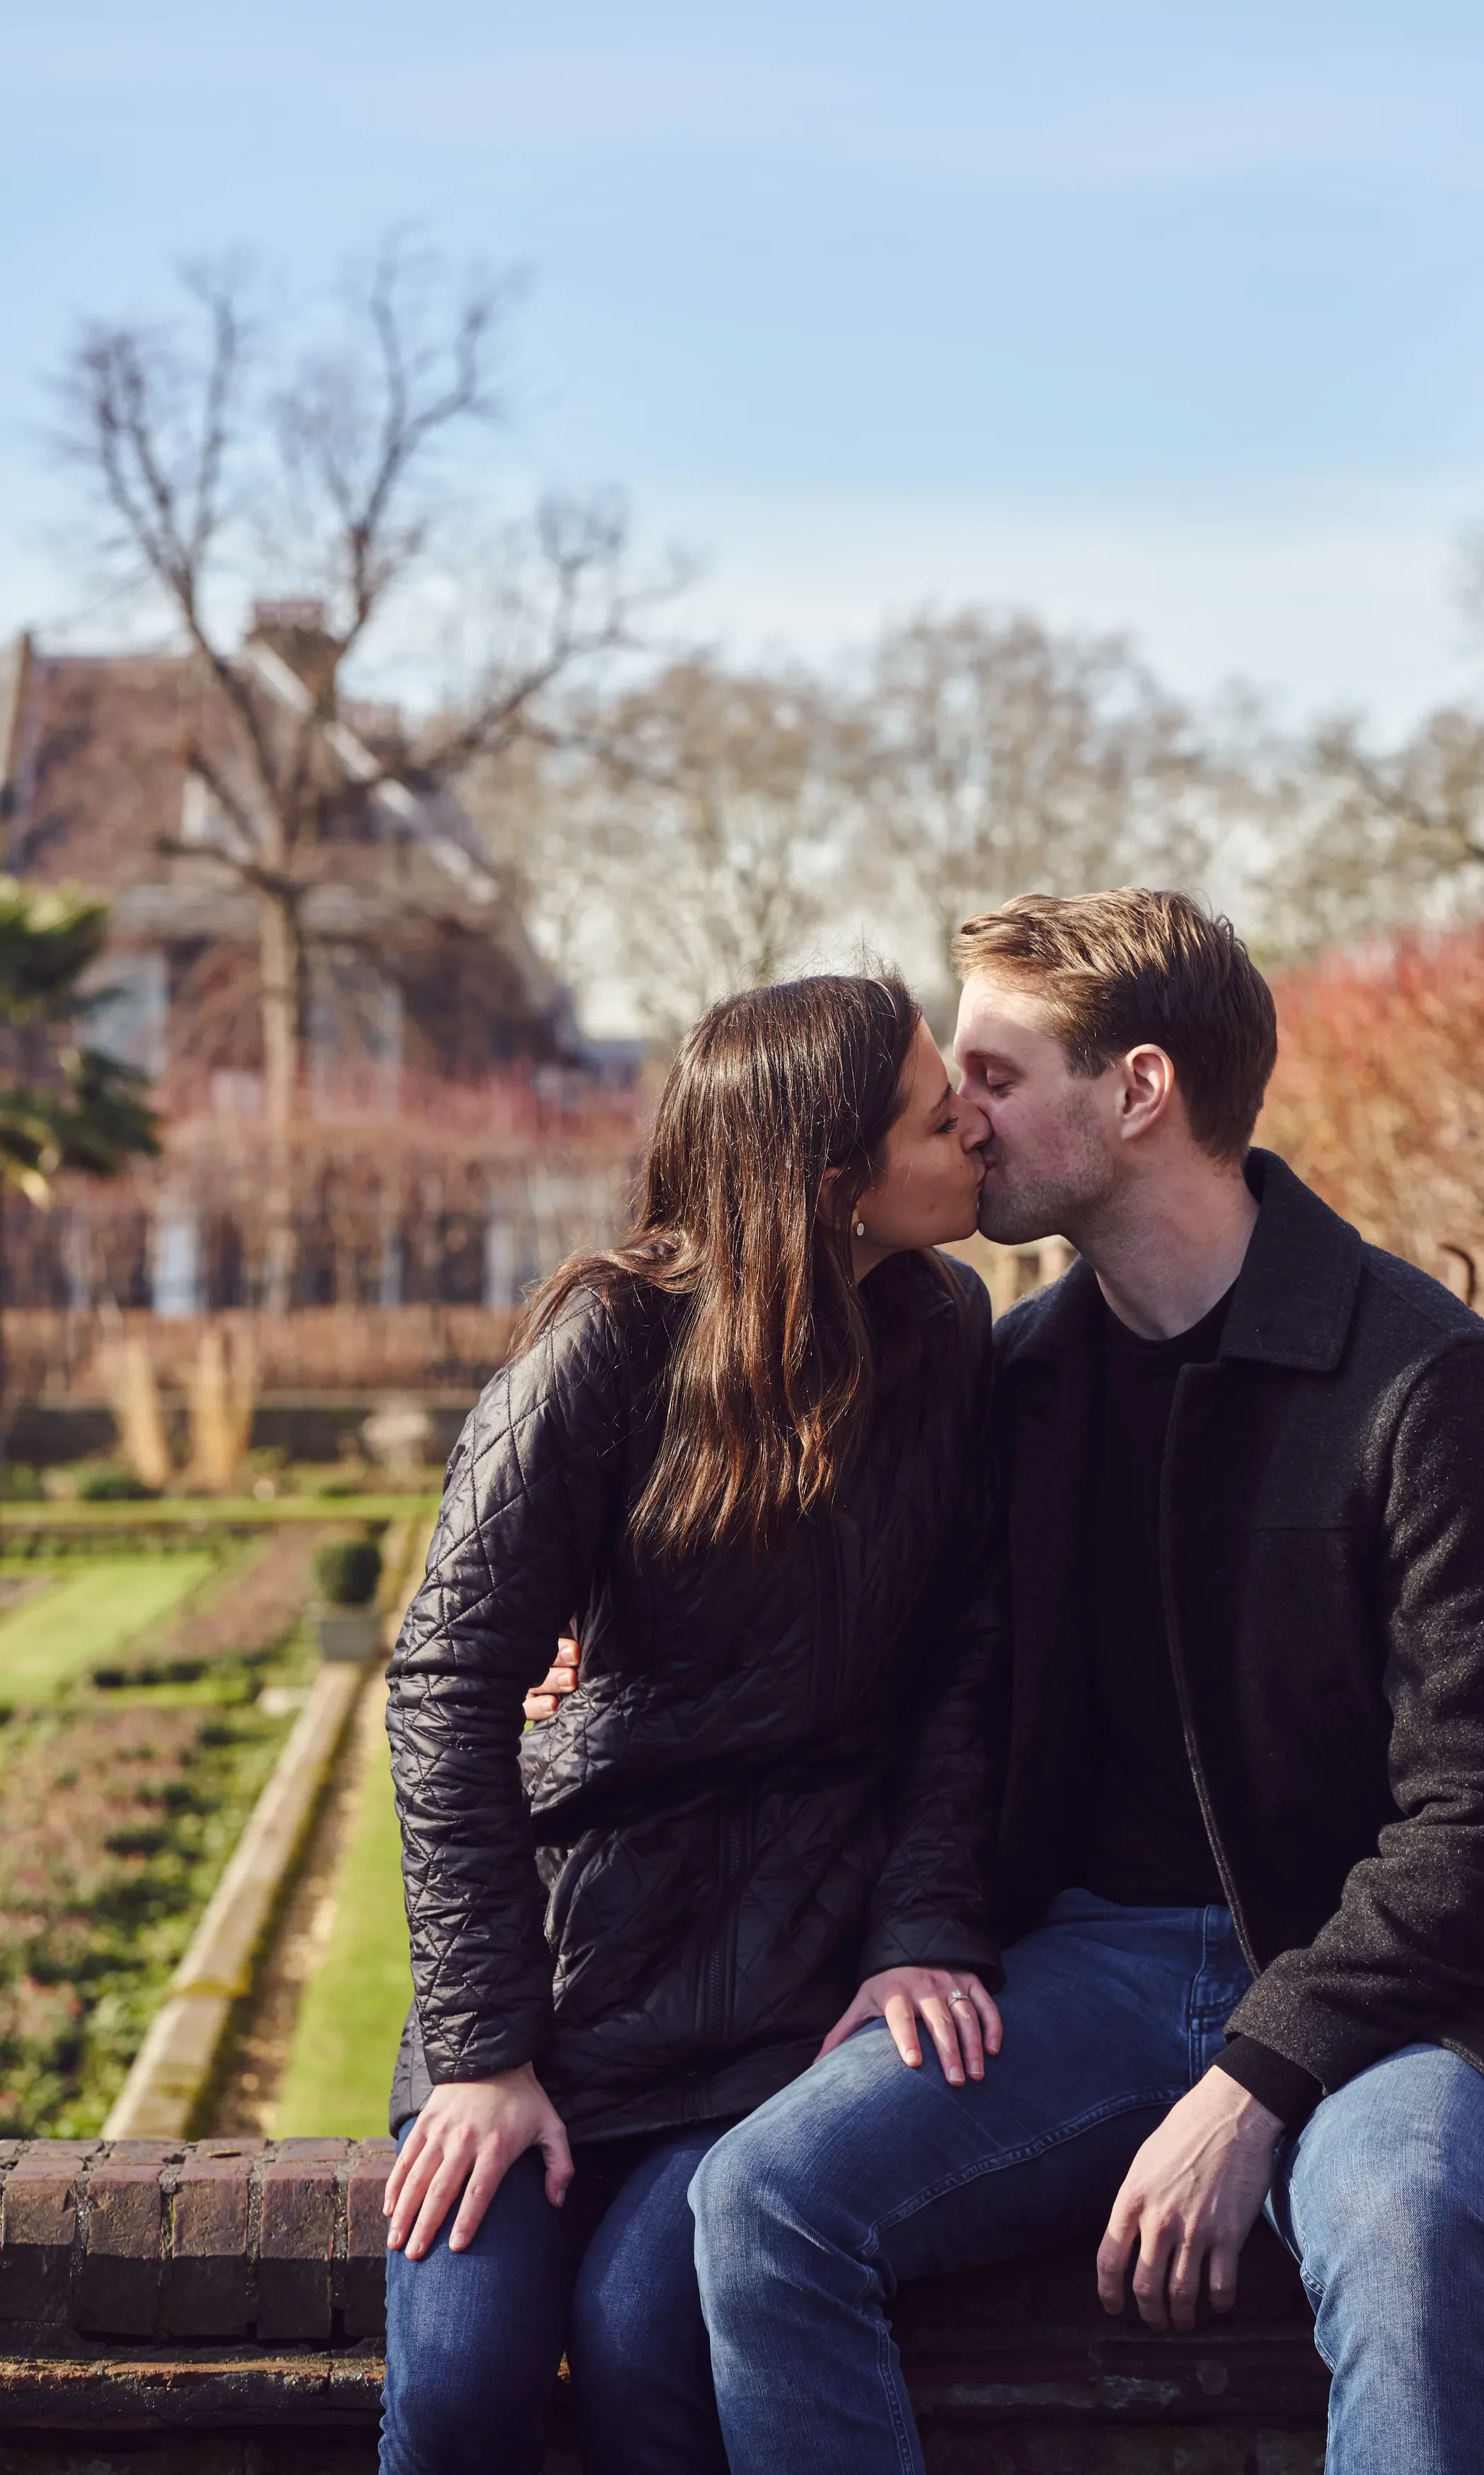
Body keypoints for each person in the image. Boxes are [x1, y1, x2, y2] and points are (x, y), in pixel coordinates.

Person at [689, 888, 1484, 2475]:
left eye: (997, 1074)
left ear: (1137, 1090)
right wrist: (593, 1656)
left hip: (1408, 1992)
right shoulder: (1013, 1379)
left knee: (1400, 2212)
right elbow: (864, 1644)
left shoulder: (1421, 1383)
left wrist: (1256, 2078)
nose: (959, 1111)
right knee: (760, 2198)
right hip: (1096, 1959)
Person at [378, 972, 1006, 2475]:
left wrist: (919, 1926)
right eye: (941, 1113)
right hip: (569, 1984)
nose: (976, 1123)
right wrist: (480, 2049)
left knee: (657, 2346)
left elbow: (961, 1671)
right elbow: (445, 1678)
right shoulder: (607, 1340)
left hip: (784, 1996)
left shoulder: (944, 1331)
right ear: (838, 1182)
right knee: (464, 2387)